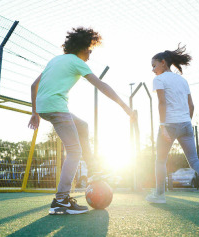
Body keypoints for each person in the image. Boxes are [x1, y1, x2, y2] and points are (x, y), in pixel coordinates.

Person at [28, 27, 134, 215]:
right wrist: (124, 107)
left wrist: (35, 112)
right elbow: (101, 85)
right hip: (56, 107)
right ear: (83, 48)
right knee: (74, 151)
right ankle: (61, 200)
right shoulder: (77, 62)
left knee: (83, 126)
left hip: (44, 107)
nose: (90, 54)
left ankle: (93, 171)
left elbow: (33, 85)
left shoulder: (55, 60)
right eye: (90, 50)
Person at [145, 44, 199, 207]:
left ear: (163, 62)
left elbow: (162, 103)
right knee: (195, 161)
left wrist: (163, 126)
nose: (153, 70)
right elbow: (192, 106)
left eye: (154, 66)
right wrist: (186, 122)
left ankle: (159, 194)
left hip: (169, 124)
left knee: (160, 160)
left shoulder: (159, 79)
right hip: (186, 124)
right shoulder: (182, 80)